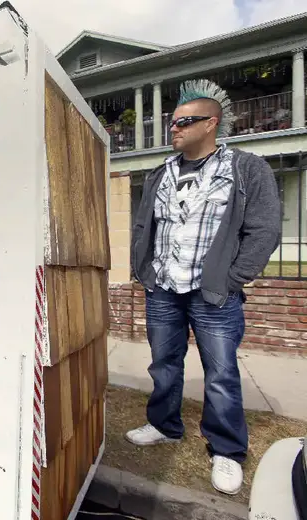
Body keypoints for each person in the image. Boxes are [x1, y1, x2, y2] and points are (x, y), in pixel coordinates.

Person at [128, 79, 281, 495]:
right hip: (163, 288)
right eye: (172, 123)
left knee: (221, 373)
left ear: (210, 124)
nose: (173, 129)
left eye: (183, 122)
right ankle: (164, 425)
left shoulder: (246, 169)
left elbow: (264, 229)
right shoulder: (161, 172)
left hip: (212, 291)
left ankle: (227, 449)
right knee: (163, 364)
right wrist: (143, 271)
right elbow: (144, 225)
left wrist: (234, 277)